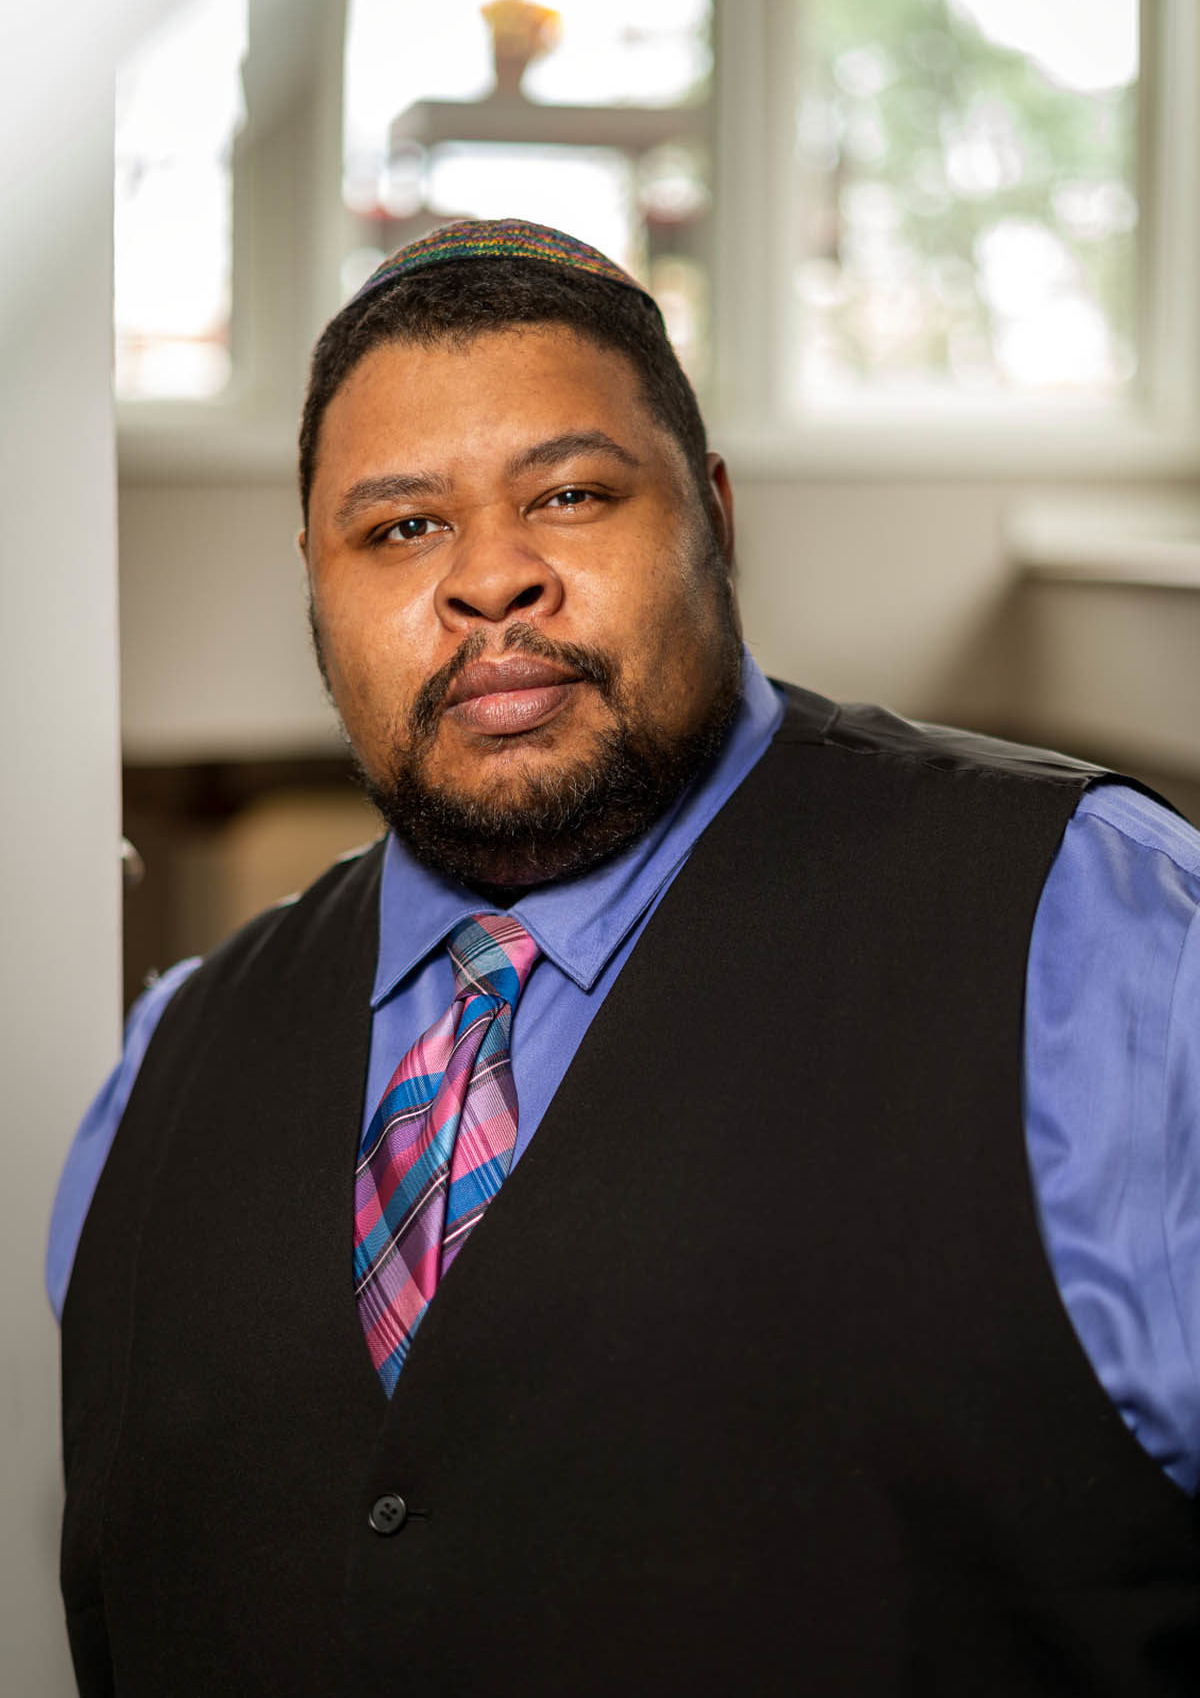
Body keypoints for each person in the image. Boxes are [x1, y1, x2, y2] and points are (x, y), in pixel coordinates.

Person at [52, 219, 1200, 1696]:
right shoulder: (163, 1073)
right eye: (400, 527)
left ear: (714, 514)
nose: (490, 580)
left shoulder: (1105, 934)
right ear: (316, 584)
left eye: (573, 492)